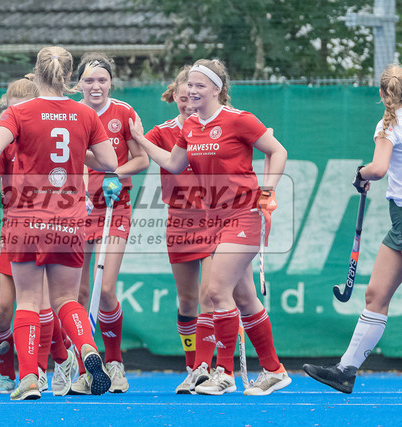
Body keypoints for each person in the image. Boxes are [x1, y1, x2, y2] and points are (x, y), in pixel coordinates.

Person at [130, 59, 291, 396]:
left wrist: (268, 190)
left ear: (217, 89)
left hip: (244, 215)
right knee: (244, 297)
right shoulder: (190, 126)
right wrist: (141, 140)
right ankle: (274, 370)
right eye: (189, 84)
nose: (192, 90)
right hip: (212, 221)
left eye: (199, 85)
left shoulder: (239, 119)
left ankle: (224, 373)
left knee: (216, 292)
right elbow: (174, 163)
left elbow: (277, 151)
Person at [0, 46, 119, 400]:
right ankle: (87, 348)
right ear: (68, 77)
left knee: (27, 300)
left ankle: (27, 379)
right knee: (66, 299)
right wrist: (76, 152)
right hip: (69, 220)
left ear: (37, 74)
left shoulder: (19, 112)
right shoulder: (85, 114)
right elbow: (110, 162)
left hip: (25, 220)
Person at [303, 64, 402, 394]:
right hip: (399, 222)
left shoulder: (389, 124)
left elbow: (379, 168)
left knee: (377, 295)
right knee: (376, 295)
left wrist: (361, 173)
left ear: (381, 94)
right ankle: (346, 370)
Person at [0, 76, 78, 396]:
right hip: (11, 232)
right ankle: (8, 373)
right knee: (3, 309)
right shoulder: (4, 142)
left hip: (43, 228)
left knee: (41, 305)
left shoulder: (45, 137)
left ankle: (43, 367)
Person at [69, 53, 149, 395]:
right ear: (79, 84)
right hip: (76, 208)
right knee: (79, 293)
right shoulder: (70, 113)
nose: (96, 86)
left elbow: (142, 159)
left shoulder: (124, 113)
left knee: (104, 289)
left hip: (115, 206)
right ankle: (84, 367)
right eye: (89, 80)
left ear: (111, 83)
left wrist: (115, 173)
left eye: (102, 79)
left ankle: (115, 363)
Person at [135, 65, 217, 394]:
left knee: (210, 296)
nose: (189, 103)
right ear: (175, 98)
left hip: (214, 220)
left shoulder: (217, 126)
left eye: (193, 97)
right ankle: (191, 365)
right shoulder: (162, 132)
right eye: (183, 98)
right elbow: (133, 152)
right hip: (180, 221)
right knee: (187, 301)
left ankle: (205, 369)